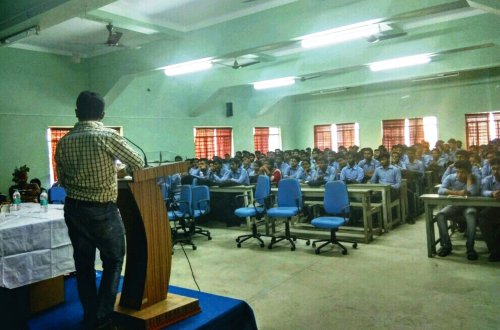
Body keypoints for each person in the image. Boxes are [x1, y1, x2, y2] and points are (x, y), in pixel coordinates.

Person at [55, 91, 144, 329]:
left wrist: (104, 173)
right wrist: (116, 171)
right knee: (113, 260)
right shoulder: (107, 135)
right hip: (102, 211)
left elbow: (62, 179)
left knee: (83, 265)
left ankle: (90, 314)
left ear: (76, 113)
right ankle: (102, 319)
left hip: (73, 210)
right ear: (102, 114)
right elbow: (138, 163)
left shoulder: (64, 141)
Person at [436, 160, 480, 260]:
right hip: (455, 206)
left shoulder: (475, 178)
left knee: (471, 215)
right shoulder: (451, 177)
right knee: (440, 215)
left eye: (462, 172)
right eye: (457, 171)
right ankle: (447, 246)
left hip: (469, 206)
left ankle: (470, 248)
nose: (459, 174)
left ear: (469, 172)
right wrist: (456, 193)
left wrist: (469, 179)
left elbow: (472, 193)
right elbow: (440, 190)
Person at [478, 158, 500, 262]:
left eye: (499, 169)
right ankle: (494, 251)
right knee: (482, 217)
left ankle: (496, 250)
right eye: (494, 169)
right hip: (493, 208)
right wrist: (492, 193)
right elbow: (483, 191)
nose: (496, 171)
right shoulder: (488, 179)